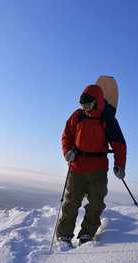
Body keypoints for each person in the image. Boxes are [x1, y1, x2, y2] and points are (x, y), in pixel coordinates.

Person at [56, 84, 127, 245]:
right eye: (83, 105)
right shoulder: (78, 116)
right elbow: (66, 135)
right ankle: (64, 234)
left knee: (96, 202)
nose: (85, 108)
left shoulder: (107, 119)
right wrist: (67, 152)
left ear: (97, 102)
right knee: (71, 201)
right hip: (77, 166)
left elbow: (119, 144)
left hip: (98, 169)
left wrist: (120, 165)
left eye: (88, 105)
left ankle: (87, 233)